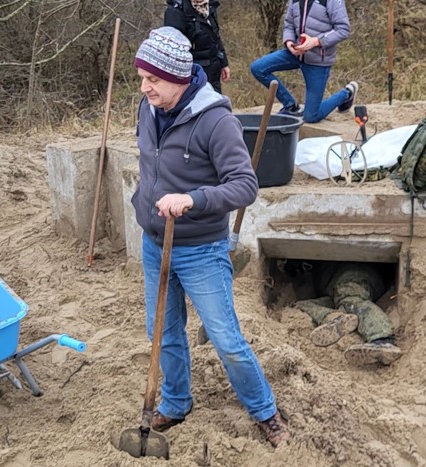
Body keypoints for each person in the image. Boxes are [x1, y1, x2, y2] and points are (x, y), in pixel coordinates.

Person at [131, 26, 289, 448]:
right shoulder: (147, 109)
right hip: (154, 243)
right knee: (163, 332)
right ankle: (176, 403)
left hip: (201, 248)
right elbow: (151, 161)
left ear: (179, 78)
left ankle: (265, 411)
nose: (144, 87)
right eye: (142, 77)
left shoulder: (216, 121)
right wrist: (144, 200)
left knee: (225, 338)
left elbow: (245, 186)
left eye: (153, 79)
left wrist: (194, 198)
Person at [249, 0, 357, 123]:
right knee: (258, 68)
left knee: (311, 116)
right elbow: (289, 24)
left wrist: (316, 41)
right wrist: (289, 42)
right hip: (295, 54)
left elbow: (343, 29)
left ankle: (347, 93)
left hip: (318, 60)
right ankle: (291, 106)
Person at [294, 262, 402, 366]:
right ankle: (334, 317)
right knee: (298, 306)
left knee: (351, 301)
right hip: (334, 289)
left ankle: (382, 338)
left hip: (355, 273)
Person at [164, 0, 230, 93]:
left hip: (213, 70)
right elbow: (173, 51)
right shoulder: (176, 11)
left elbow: (215, 36)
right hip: (192, 77)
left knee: (215, 103)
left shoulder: (209, 6)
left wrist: (224, 63)